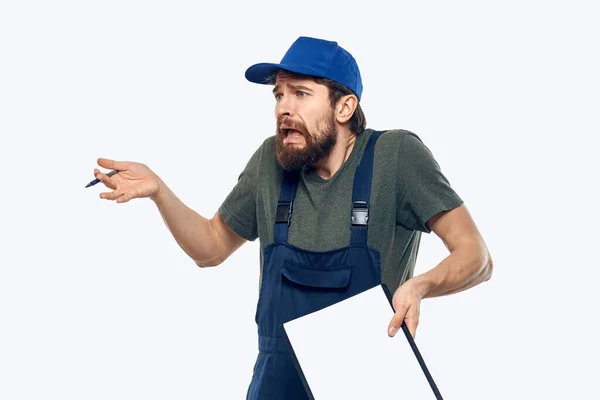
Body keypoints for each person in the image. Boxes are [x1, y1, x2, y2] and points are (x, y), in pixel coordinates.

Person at [92, 36, 493, 399]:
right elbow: (211, 248)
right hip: (277, 386)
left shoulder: (396, 157)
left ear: (344, 106)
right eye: (278, 95)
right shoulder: (270, 161)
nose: (284, 108)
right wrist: (161, 192)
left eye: (301, 93)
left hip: (368, 383)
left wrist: (420, 286)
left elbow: (475, 255)